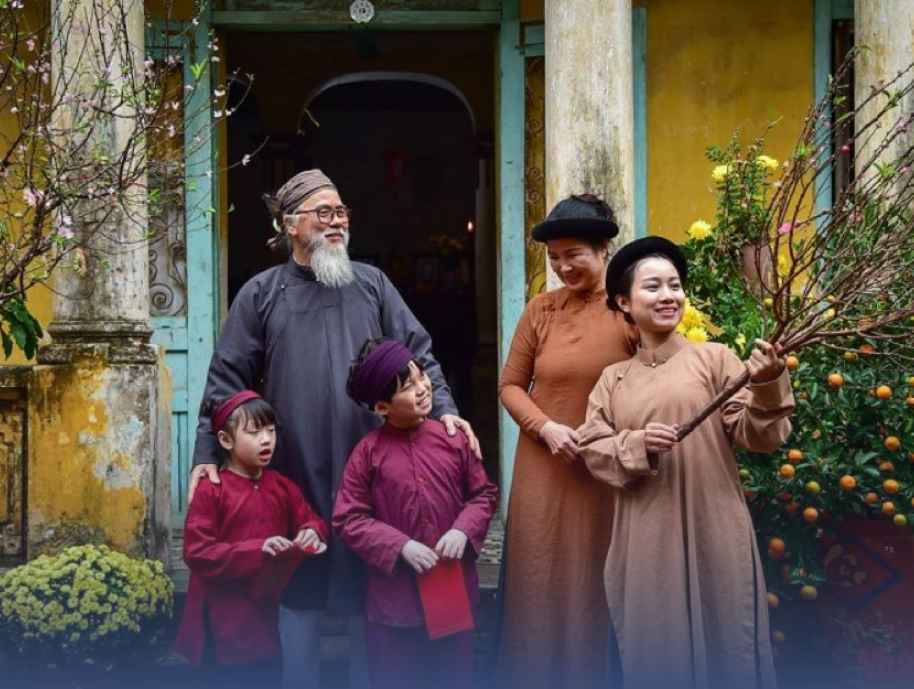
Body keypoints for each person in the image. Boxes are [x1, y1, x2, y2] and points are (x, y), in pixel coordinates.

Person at [188, 169, 480, 689]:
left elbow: (418, 353)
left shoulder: (372, 284)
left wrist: (444, 410)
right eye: (323, 212)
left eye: (341, 212)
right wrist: (209, 453)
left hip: (374, 462)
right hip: (293, 465)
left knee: (372, 576)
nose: (337, 221)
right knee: (300, 582)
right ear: (290, 224)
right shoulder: (261, 293)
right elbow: (226, 380)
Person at [576, 236, 794, 689]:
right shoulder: (613, 380)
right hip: (645, 538)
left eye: (674, 285)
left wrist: (769, 382)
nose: (668, 296)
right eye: (652, 286)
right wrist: (636, 444)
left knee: (728, 641)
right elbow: (592, 448)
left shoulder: (714, 359)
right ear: (624, 302)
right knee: (658, 650)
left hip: (714, 525)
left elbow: (760, 436)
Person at [496, 194, 637, 689]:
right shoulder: (541, 310)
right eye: (554, 257)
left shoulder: (628, 309)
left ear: (603, 251)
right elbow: (510, 386)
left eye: (573, 254)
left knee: (594, 579)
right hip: (544, 466)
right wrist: (546, 427)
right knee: (538, 576)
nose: (562, 267)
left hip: (603, 469)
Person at [333, 338, 497, 689]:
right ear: (382, 407)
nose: (423, 388)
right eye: (408, 386)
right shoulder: (367, 454)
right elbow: (348, 518)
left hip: (450, 590)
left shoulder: (453, 440)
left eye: (422, 376)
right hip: (394, 603)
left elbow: (483, 494)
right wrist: (400, 546)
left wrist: (462, 530)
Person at [175, 391, 328, 689]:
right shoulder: (212, 490)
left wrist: (311, 531)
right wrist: (258, 549)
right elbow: (197, 552)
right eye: (254, 432)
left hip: (266, 615)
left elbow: (313, 520)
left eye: (271, 430)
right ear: (225, 440)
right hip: (221, 618)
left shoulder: (280, 486)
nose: (266, 440)